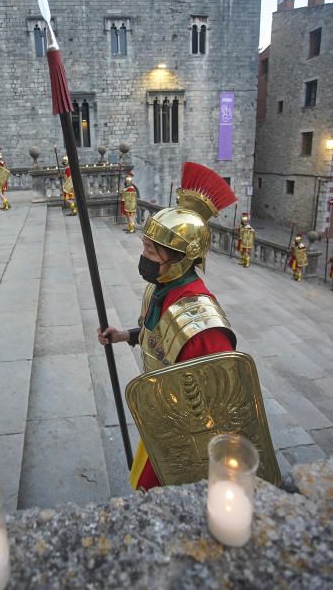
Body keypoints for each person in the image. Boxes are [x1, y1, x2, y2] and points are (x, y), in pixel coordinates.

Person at [97, 161, 237, 491]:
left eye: (150, 250)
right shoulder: (161, 288)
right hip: (160, 419)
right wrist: (124, 336)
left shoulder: (204, 324)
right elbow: (160, 337)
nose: (143, 256)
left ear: (180, 257)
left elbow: (218, 400)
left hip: (182, 439)